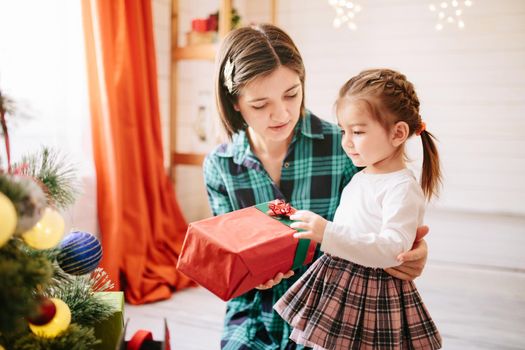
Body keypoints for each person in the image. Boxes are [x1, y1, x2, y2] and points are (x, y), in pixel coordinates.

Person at [204, 24, 429, 350]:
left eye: (291, 94)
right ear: (235, 103)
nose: (281, 113)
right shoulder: (220, 166)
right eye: (259, 104)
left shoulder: (346, 150)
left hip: (332, 309)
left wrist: (412, 251)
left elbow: (383, 224)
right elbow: (227, 257)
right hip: (256, 313)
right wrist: (250, 274)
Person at [273, 68, 442, 349]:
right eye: (343, 131)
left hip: (371, 290)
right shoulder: (362, 176)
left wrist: (327, 232)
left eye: (358, 131)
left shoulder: (400, 187)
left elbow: (392, 250)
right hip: (339, 281)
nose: (346, 142)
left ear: (398, 133)